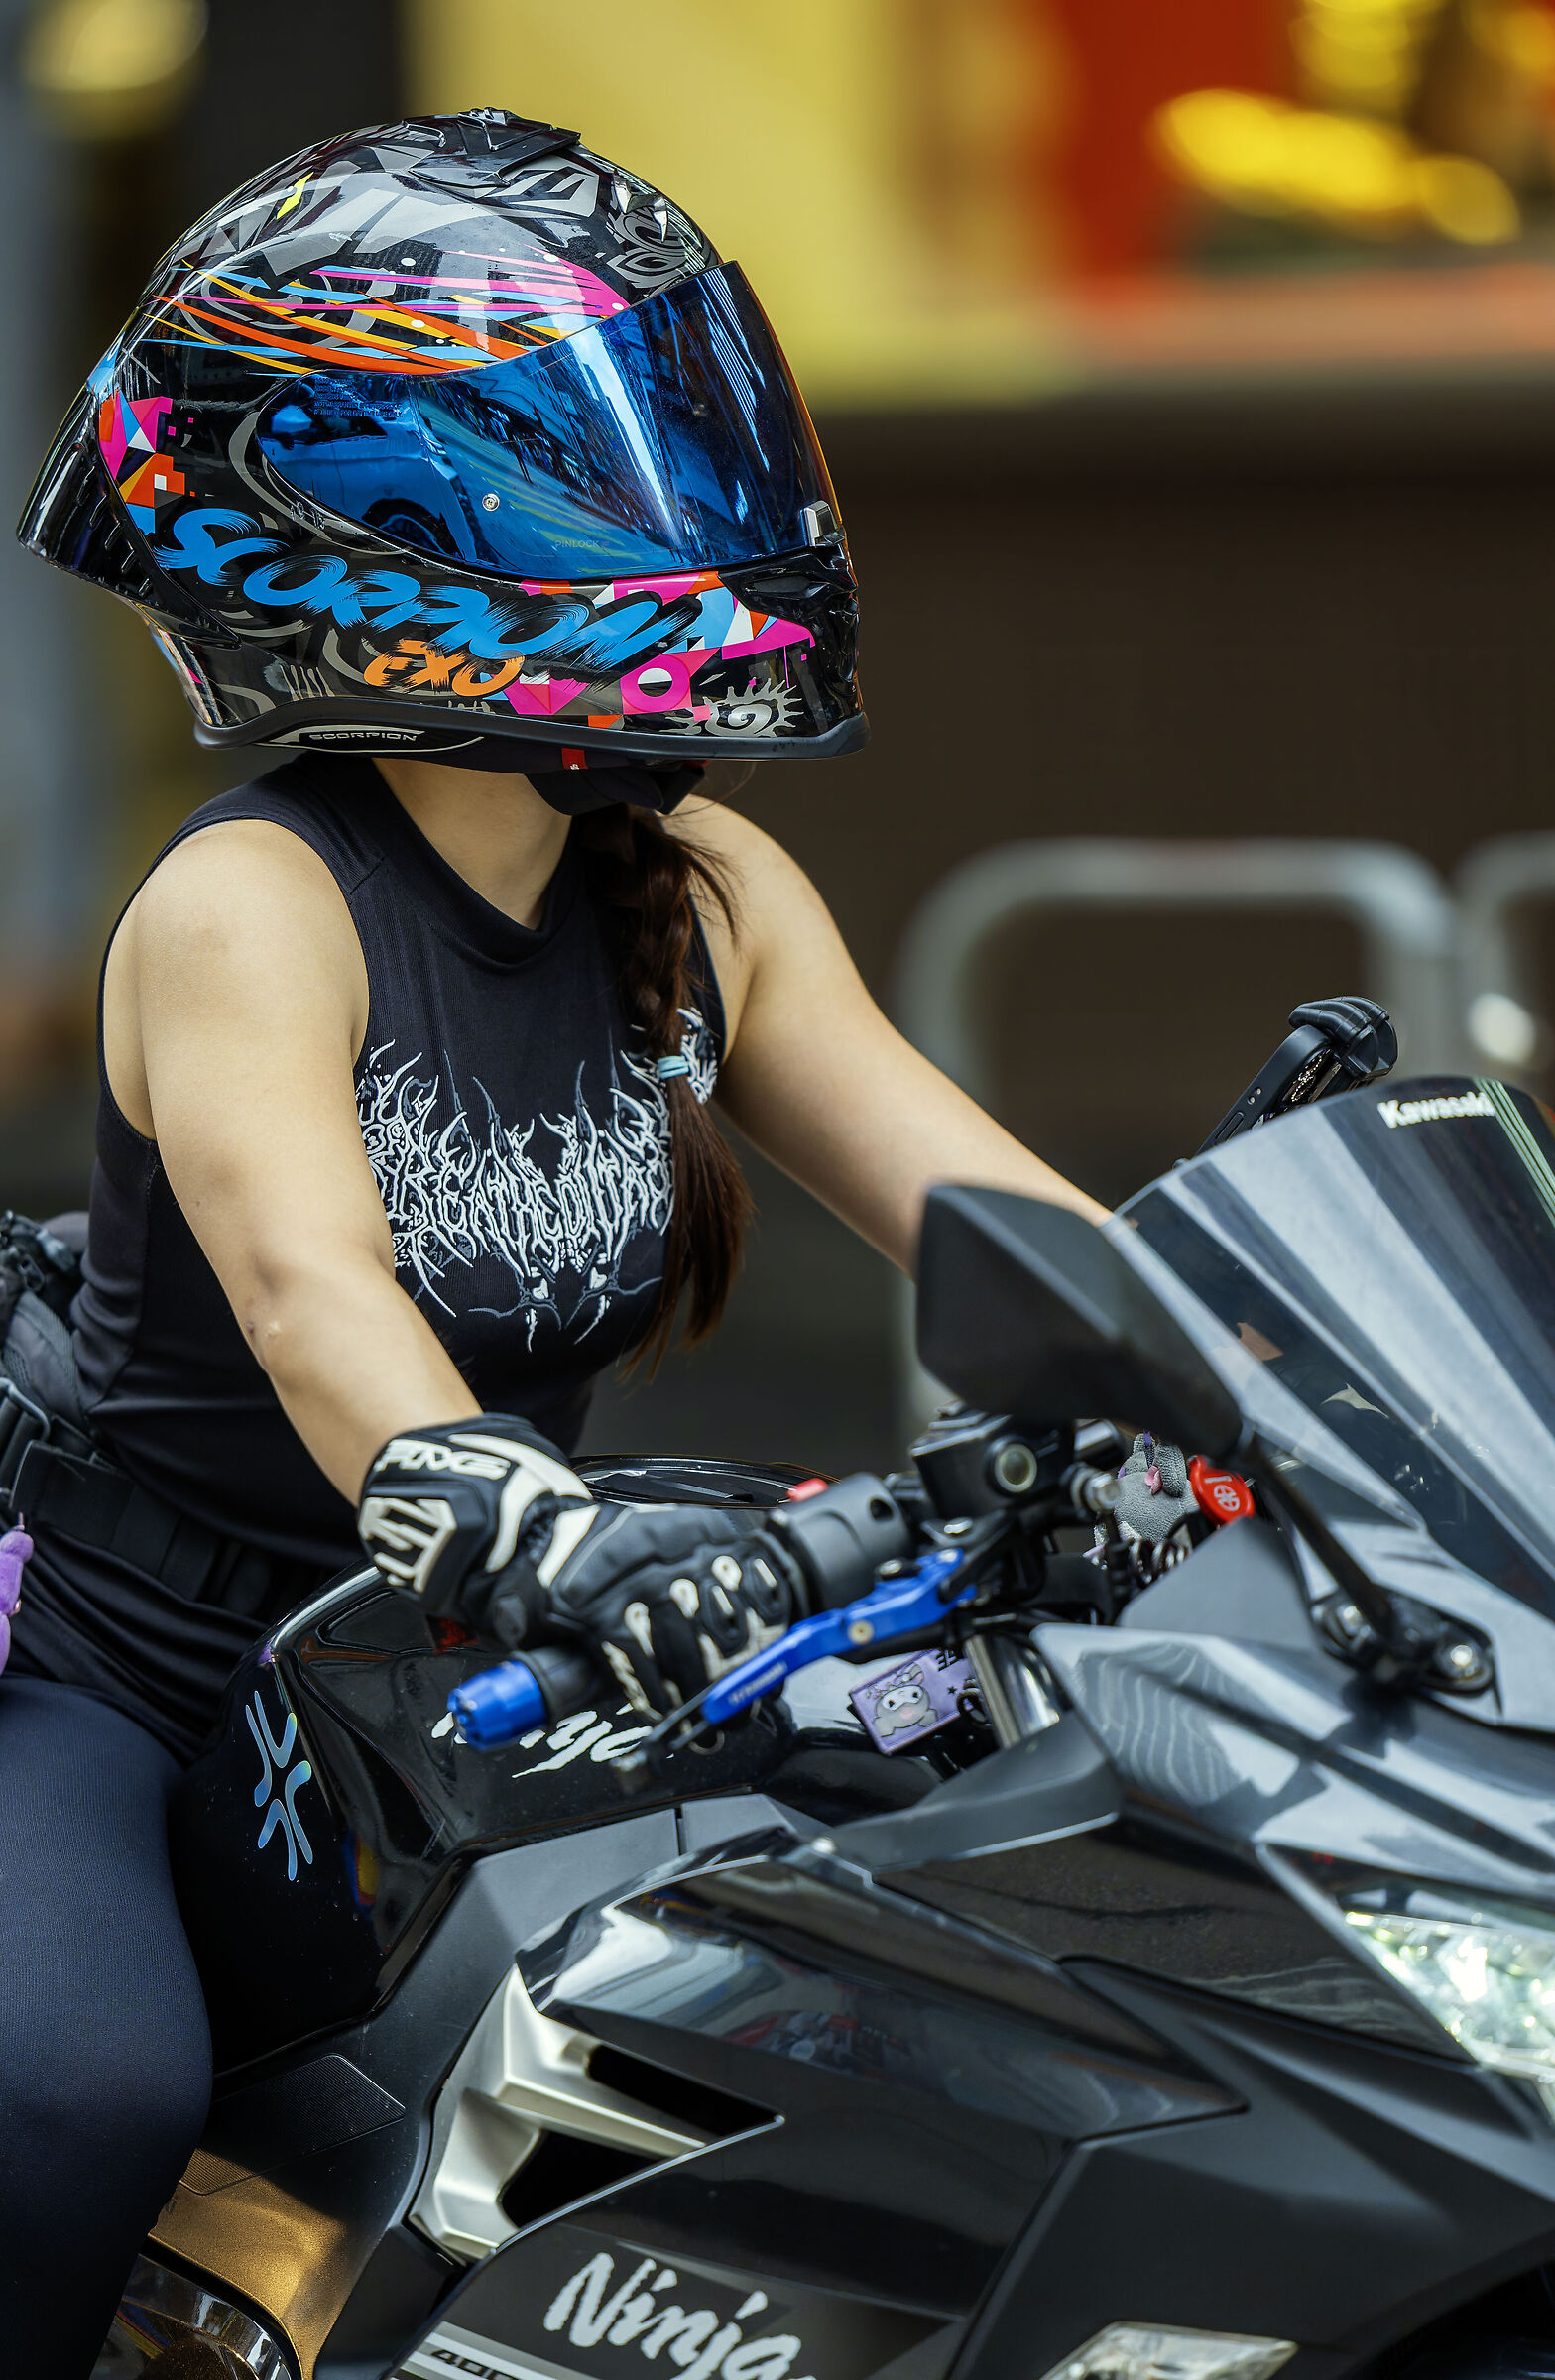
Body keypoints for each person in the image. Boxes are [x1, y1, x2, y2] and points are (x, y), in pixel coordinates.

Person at [2, 110, 1105, 2371]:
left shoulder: (695, 894)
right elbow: (315, 1295)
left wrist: (1269, 1365)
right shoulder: (253, 903)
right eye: (617, 454)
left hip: (522, 1696)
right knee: (64, 2090)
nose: (707, 505)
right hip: (161, 1688)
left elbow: (997, 1218)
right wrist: (522, 1515)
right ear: (390, 517)